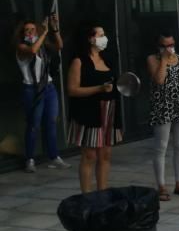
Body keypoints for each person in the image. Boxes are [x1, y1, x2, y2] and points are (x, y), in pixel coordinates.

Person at [67, 24, 122, 193]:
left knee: (105, 154)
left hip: (109, 110)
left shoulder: (108, 59)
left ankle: (102, 192)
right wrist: (98, 89)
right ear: (90, 38)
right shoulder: (79, 61)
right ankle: (87, 195)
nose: (104, 38)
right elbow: (72, 89)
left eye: (104, 34)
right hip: (89, 112)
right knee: (89, 155)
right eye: (100, 35)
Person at [15, 15, 70, 173]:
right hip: (32, 89)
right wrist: (44, 33)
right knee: (33, 125)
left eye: (33, 29)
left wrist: (54, 29)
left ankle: (54, 157)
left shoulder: (43, 45)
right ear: (22, 33)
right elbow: (32, 50)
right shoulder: (21, 47)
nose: (31, 32)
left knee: (51, 122)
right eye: (27, 30)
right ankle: (30, 159)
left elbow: (59, 45)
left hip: (48, 87)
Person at [147, 30, 179, 201]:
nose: (169, 48)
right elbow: (159, 80)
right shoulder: (153, 59)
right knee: (161, 146)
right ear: (159, 46)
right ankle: (161, 185)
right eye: (165, 45)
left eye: (171, 45)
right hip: (163, 106)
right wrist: (165, 60)